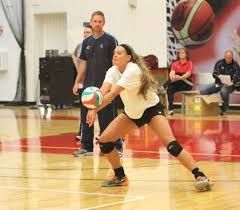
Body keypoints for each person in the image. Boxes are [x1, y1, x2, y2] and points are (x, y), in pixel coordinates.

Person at [86, 44, 211, 191]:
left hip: (151, 110)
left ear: (128, 58)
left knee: (172, 145)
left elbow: (112, 94)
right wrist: (93, 107)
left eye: (119, 53)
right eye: (114, 53)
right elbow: (103, 91)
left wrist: (95, 109)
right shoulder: (112, 71)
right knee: (104, 141)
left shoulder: (133, 70)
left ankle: (200, 175)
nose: (115, 55)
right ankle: (120, 176)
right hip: (132, 114)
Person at [72, 11, 123, 156]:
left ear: (104, 23)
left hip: (106, 85)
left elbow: (116, 61)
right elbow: (83, 64)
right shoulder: (86, 42)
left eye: (100, 21)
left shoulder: (110, 40)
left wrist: (116, 81)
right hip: (89, 87)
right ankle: (86, 147)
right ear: (91, 22)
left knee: (108, 117)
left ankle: (116, 146)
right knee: (86, 117)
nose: (97, 24)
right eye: (95, 21)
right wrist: (77, 81)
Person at [200, 50, 240, 115]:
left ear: (232, 57)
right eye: (227, 57)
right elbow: (214, 74)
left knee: (223, 91)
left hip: (229, 85)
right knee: (203, 91)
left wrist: (231, 83)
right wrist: (219, 76)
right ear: (224, 56)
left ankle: (225, 109)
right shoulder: (219, 63)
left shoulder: (236, 65)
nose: (228, 59)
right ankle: (208, 108)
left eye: (230, 57)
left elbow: (237, 76)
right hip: (218, 84)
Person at [72, 25, 93, 142]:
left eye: (88, 32)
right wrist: (78, 68)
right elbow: (74, 56)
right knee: (83, 109)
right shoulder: (79, 46)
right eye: (84, 32)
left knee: (102, 110)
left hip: (94, 82)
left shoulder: (95, 45)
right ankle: (82, 133)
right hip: (82, 82)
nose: (85, 34)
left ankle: (110, 134)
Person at [159, 48, 193, 115]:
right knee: (170, 89)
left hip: (186, 84)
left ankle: (163, 87)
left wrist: (179, 77)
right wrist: (174, 77)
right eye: (179, 53)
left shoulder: (189, 63)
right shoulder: (175, 64)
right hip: (176, 83)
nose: (180, 54)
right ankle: (171, 109)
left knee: (178, 74)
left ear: (186, 54)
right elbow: (171, 74)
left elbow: (188, 74)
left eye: (182, 53)